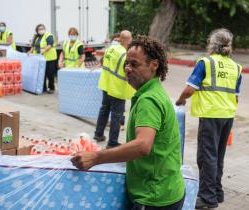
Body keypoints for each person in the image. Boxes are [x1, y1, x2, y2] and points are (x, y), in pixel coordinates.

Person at [71, 35, 185, 210]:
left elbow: (142, 146)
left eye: (134, 64)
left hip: (153, 197)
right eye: (127, 63)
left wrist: (95, 157)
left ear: (154, 65)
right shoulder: (152, 92)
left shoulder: (149, 100)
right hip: (166, 191)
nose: (128, 69)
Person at [176, 28, 242, 209]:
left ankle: (207, 198)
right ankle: (217, 192)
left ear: (212, 44)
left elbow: (190, 89)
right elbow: (236, 96)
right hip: (227, 116)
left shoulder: (205, 62)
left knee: (207, 157)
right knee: (218, 156)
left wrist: (180, 100)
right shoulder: (236, 67)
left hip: (211, 115)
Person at [93, 30, 135, 148]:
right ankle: (112, 143)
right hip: (117, 88)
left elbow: (103, 63)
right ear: (129, 40)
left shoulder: (111, 48)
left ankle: (98, 134)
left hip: (106, 84)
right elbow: (127, 74)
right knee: (116, 115)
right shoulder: (125, 55)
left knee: (104, 109)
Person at [28, 24, 57, 94]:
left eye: (42, 28)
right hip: (40, 58)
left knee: (50, 74)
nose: (41, 30)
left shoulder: (48, 35)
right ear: (37, 31)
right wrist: (30, 52)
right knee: (42, 74)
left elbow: (50, 45)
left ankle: (51, 88)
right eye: (39, 29)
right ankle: (43, 88)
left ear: (44, 29)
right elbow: (33, 46)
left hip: (50, 58)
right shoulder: (37, 37)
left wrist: (44, 50)